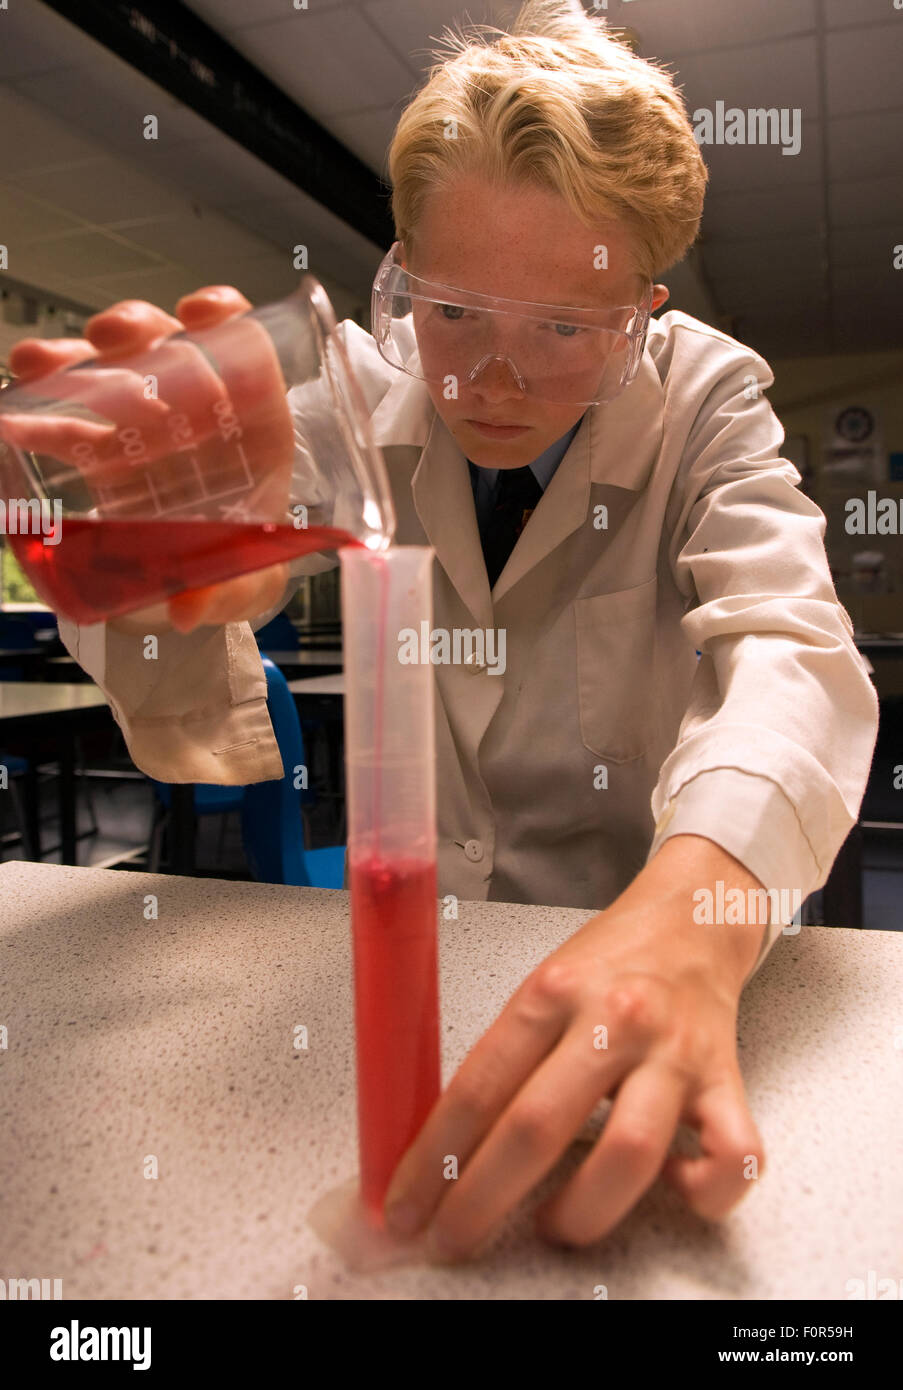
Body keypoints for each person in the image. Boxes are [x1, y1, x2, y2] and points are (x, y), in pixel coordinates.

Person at [9, 0, 877, 1258]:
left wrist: (696, 916)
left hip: (638, 944)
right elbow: (161, 656)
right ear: (401, 265)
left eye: (566, 330)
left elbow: (796, 653)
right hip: (417, 964)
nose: (489, 384)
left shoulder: (702, 402)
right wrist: (174, 587)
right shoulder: (356, 394)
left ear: (642, 306)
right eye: (454, 311)